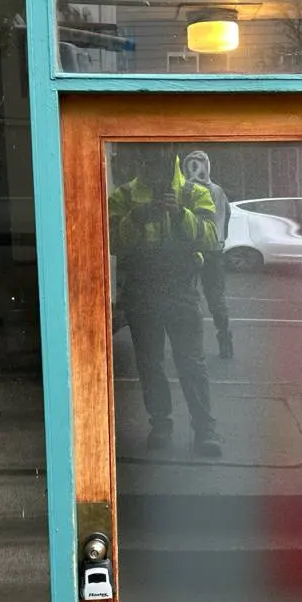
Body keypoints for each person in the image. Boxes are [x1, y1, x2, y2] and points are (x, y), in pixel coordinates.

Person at [109, 152, 222, 458]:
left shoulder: (194, 193)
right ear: (139, 162)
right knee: (150, 364)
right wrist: (136, 218)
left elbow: (211, 238)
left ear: (170, 161)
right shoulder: (124, 195)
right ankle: (161, 424)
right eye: (146, 160)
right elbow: (109, 241)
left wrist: (180, 213)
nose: (152, 168)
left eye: (157, 161)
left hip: (180, 289)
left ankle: (204, 429)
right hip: (142, 291)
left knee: (191, 363)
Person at [181, 149, 233, 359]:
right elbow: (226, 217)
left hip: (192, 251)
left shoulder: (186, 190)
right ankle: (225, 341)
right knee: (216, 299)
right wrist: (220, 239)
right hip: (215, 251)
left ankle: (192, 346)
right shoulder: (219, 191)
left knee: (189, 299)